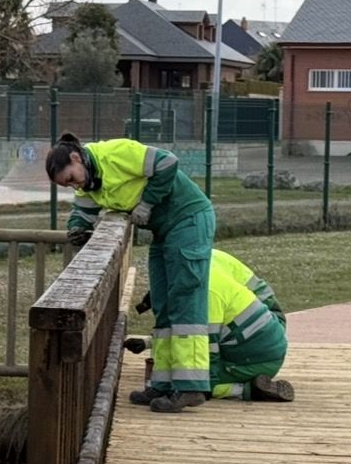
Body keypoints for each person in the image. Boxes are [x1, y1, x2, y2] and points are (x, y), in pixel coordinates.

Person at [45, 132, 214, 413]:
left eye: (71, 178)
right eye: (67, 184)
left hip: (188, 219)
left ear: (76, 158)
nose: (74, 185)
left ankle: (190, 386)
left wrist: (147, 202)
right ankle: (162, 383)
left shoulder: (116, 153)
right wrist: (76, 228)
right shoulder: (89, 183)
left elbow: (167, 162)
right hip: (164, 230)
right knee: (163, 303)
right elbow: (83, 212)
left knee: (184, 299)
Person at [126, 253, 295, 403]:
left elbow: (206, 347)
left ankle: (248, 390)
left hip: (260, 353)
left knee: (187, 381)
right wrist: (148, 342)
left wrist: (200, 385)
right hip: (260, 330)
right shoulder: (198, 265)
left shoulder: (206, 296)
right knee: (184, 370)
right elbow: (186, 332)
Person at [136, 248, 285, 325]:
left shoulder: (202, 285)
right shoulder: (192, 264)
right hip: (264, 316)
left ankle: (243, 380)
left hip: (266, 321)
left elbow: (202, 333)